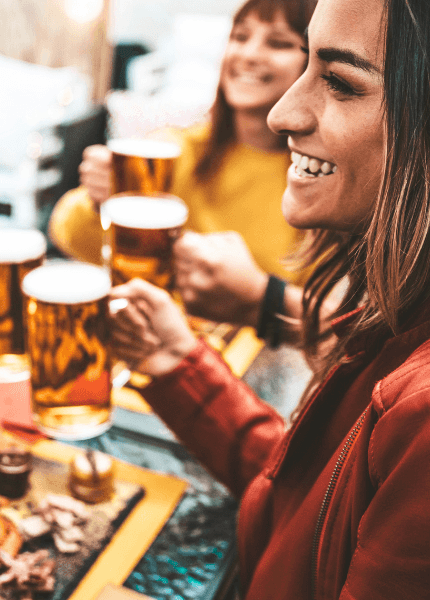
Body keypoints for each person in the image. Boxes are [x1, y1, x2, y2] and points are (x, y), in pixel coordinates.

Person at [110, 0, 430, 596]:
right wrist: (180, 367)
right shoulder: (393, 313)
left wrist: (262, 303)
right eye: (306, 61)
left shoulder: (422, 412)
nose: (284, 113)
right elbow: (303, 503)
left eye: (340, 81)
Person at [49, 0, 315, 332]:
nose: (249, 54)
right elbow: (68, 233)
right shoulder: (174, 151)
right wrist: (99, 200)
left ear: (317, 62)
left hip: (261, 365)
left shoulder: (317, 176)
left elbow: (341, 320)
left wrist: (260, 298)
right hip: (161, 347)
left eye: (278, 43)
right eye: (240, 37)